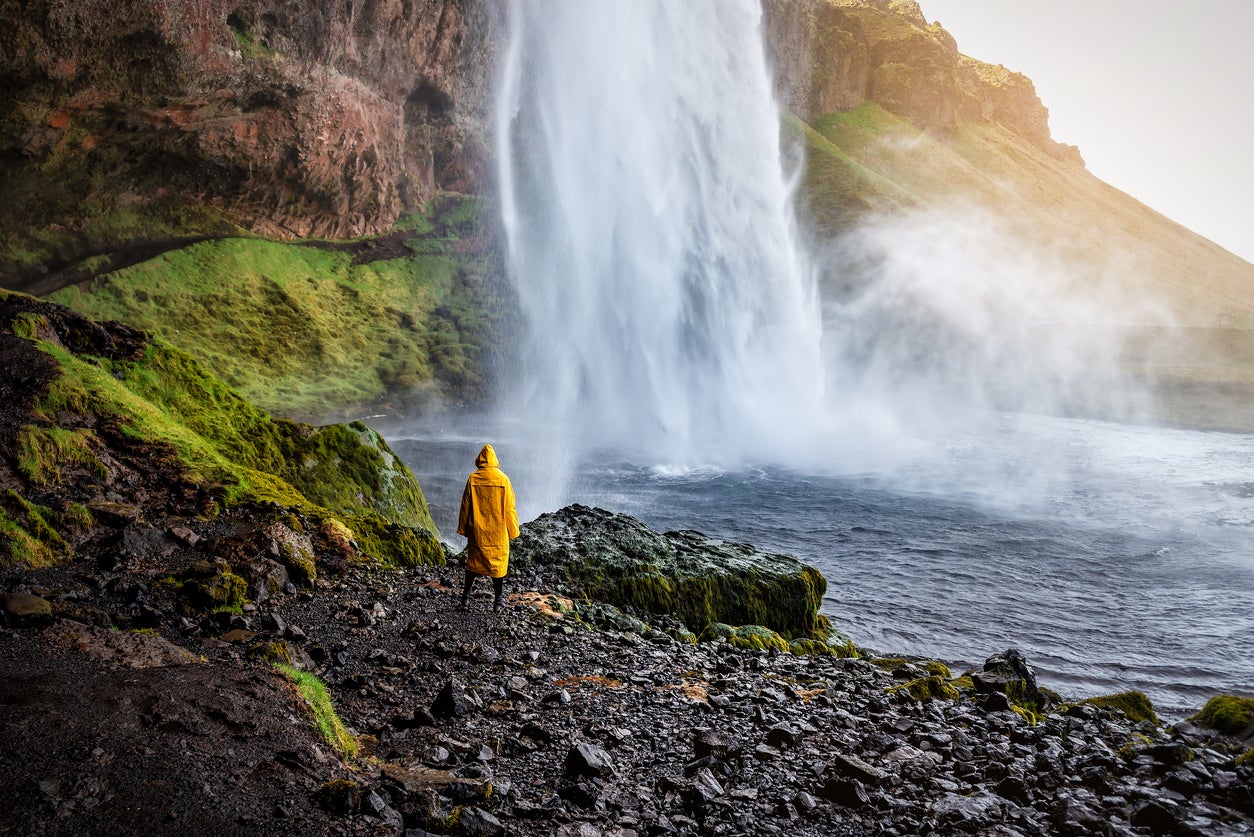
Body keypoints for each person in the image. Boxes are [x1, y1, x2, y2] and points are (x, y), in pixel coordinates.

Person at [456, 443, 520, 613]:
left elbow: (465, 506)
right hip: (498, 532)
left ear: (480, 460)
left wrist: (463, 529)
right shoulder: (503, 479)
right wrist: (513, 531)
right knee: (498, 567)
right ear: (494, 460)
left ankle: (465, 598)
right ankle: (498, 601)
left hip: (478, 532)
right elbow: (510, 508)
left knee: (473, 565)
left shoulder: (473, 478)